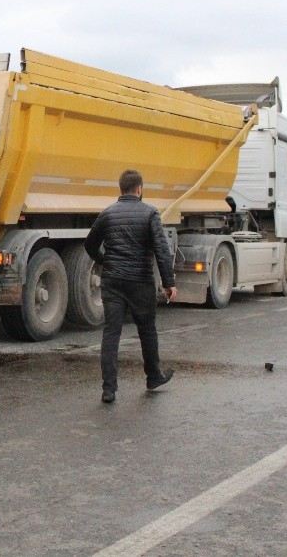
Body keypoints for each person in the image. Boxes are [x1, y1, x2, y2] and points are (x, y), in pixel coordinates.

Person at [84, 169, 177, 403]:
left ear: (121, 189)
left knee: (111, 332)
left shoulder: (107, 214)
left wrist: (105, 260)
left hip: (113, 281)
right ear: (139, 189)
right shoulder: (150, 213)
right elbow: (161, 250)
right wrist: (169, 283)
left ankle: (108, 389)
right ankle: (153, 376)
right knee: (146, 330)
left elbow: (89, 244)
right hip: (140, 281)